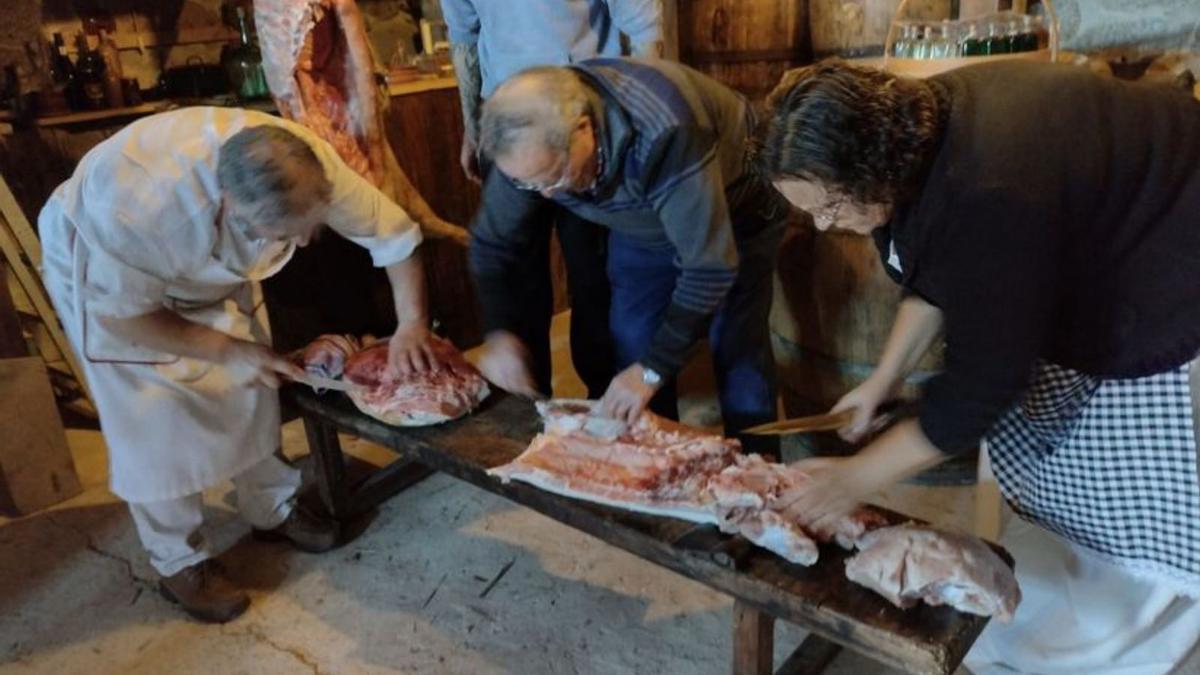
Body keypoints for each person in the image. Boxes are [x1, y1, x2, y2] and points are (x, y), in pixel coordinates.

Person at [760, 59, 1200, 673]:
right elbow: (936, 274)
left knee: (1131, 510)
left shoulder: (990, 188)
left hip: (1171, 266)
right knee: (1042, 482)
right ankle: (1053, 599)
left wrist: (854, 479)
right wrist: (882, 382)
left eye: (829, 206)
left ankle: (1116, 646)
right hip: (1079, 235)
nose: (825, 225)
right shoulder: (918, 127)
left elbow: (978, 389)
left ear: (870, 168)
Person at [39, 107, 445, 624]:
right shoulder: (142, 210)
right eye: (284, 233)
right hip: (110, 276)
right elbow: (125, 320)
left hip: (206, 261)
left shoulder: (305, 164)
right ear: (231, 205)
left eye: (308, 229)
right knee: (154, 419)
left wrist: (411, 323)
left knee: (253, 384)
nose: (299, 244)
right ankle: (179, 560)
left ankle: (272, 508)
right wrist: (227, 349)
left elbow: (394, 237)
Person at [469, 59, 793, 452]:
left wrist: (653, 371)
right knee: (633, 340)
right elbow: (492, 244)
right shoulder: (524, 149)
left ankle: (760, 477)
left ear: (583, 129)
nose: (548, 196)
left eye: (553, 178)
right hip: (644, 222)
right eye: (529, 184)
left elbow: (709, 267)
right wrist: (500, 331)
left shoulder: (666, 128)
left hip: (738, 207)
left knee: (736, 346)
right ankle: (661, 470)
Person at [441, 0, 662, 398]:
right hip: (507, 125)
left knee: (594, 277)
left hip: (581, 125)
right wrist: (474, 128)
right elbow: (463, 34)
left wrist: (643, 124)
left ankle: (607, 406)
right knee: (515, 273)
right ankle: (529, 407)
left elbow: (644, 28)